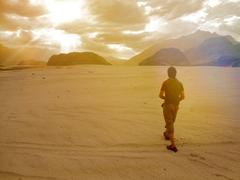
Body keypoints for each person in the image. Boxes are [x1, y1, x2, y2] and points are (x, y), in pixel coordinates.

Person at [159, 67, 185, 152]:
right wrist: (176, 100)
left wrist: (167, 98)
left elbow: (160, 95)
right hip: (176, 106)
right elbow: (183, 97)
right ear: (175, 73)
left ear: (168, 73)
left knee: (170, 123)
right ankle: (167, 134)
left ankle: (173, 145)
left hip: (168, 105)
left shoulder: (165, 83)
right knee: (171, 122)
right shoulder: (180, 83)